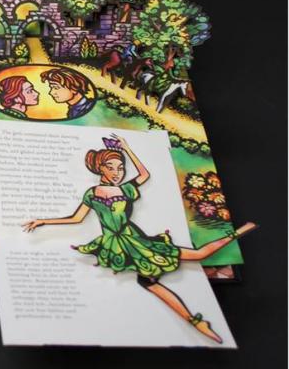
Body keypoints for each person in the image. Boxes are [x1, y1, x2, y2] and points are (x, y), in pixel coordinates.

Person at [23, 133, 257, 344]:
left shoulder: (126, 189)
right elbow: (76, 218)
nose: (117, 172)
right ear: (100, 169)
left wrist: (127, 148)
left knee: (196, 256)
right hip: (115, 245)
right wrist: (44, 221)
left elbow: (144, 174)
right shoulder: (91, 194)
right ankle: (195, 321)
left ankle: (239, 232)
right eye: (111, 167)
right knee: (148, 282)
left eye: (120, 167)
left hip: (136, 240)